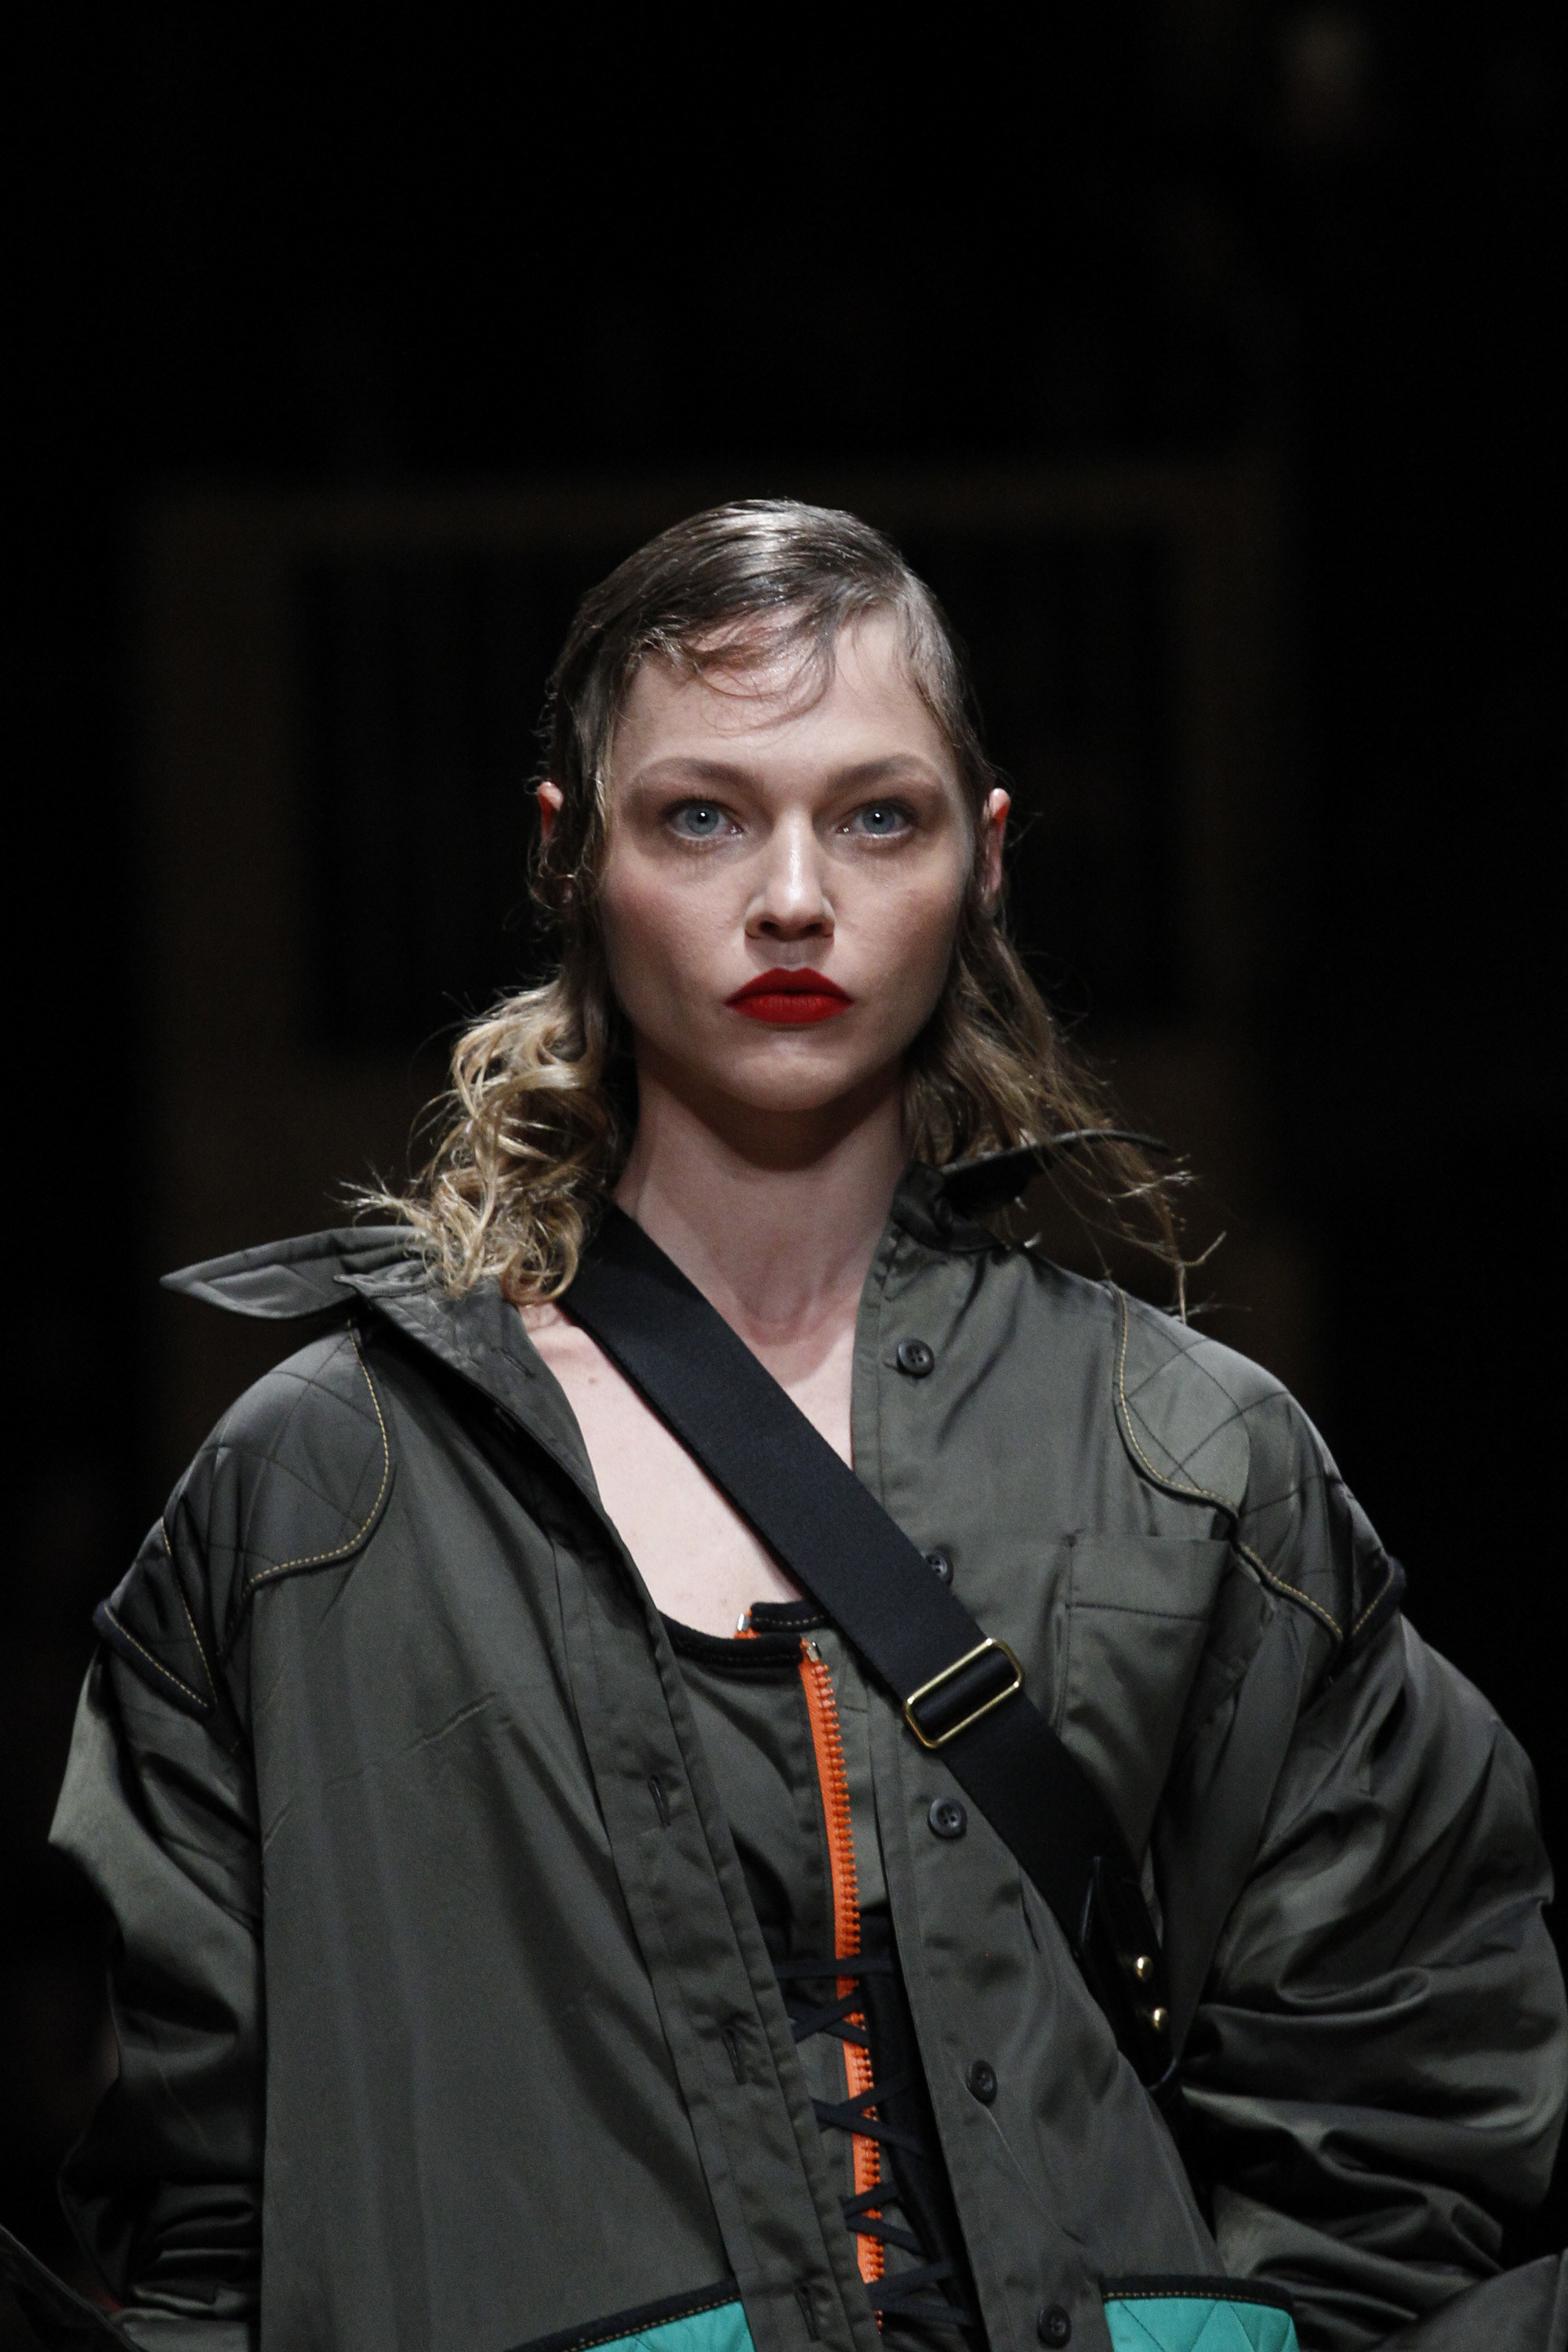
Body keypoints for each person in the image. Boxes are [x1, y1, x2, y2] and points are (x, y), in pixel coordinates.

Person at [6, 504, 1564, 2352]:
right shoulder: (317, 1499)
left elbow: (1401, 2091)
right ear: (567, 856)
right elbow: (198, 2216)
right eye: (701, 817)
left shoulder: (1189, 1463)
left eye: (877, 816)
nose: (795, 898)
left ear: (984, 857)